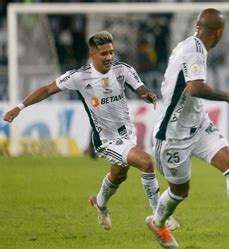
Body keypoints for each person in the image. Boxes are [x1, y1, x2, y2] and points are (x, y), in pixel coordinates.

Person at [2, 30, 179, 231]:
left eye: (111, 52)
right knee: (147, 162)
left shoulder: (123, 70)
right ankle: (159, 217)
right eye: (104, 54)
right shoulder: (80, 77)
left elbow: (140, 88)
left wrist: (147, 94)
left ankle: (99, 202)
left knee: (119, 176)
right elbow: (47, 90)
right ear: (92, 55)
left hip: (127, 134)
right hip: (106, 140)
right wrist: (19, 107)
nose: (109, 57)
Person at [145, 9, 229, 249]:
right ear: (219, 32)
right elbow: (194, 88)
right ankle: (158, 222)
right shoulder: (194, 51)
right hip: (172, 135)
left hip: (198, 124)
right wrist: (227, 96)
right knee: (180, 191)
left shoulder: (189, 45)